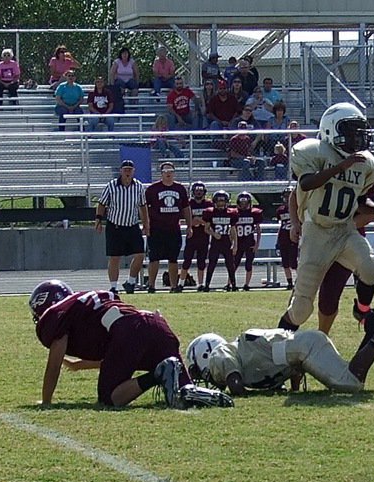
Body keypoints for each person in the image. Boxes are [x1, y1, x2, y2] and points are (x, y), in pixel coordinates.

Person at [29, 280, 232, 409]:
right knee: (182, 390)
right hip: (156, 325)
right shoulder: (88, 302)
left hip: (129, 332)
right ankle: (208, 395)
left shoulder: (59, 315)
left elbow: (54, 364)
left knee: (110, 398)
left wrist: (46, 401)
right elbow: (116, 357)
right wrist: (77, 365)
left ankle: (158, 374)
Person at [278, 102, 374, 332]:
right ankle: (277, 348)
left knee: (371, 269)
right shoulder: (314, 151)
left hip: (344, 229)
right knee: (301, 310)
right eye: (351, 131)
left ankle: (362, 310)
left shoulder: (365, 164)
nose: (357, 138)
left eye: (359, 131)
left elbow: (359, 201)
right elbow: (305, 183)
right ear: (331, 130)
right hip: (317, 231)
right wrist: (340, 167)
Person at [185, 305, 374, 397]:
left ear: (204, 353)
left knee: (349, 383)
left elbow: (235, 384)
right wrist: (293, 389)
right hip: (303, 348)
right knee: (349, 375)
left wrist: (226, 396)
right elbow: (284, 365)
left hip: (304, 349)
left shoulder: (220, 354)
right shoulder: (241, 351)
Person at [95, 160, 149, 294]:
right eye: (125, 169)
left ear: (133, 171)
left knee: (140, 255)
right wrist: (98, 220)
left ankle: (130, 282)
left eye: (130, 170)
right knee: (115, 257)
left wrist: (146, 224)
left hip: (132, 225)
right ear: (120, 171)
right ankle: (113, 286)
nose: (127, 172)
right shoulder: (111, 186)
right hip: (115, 226)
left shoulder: (139, 187)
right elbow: (102, 204)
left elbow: (143, 206)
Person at [145, 162, 191, 294]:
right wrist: (146, 224)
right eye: (165, 171)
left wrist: (189, 225)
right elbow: (143, 208)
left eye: (170, 171)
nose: (168, 173)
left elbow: (186, 208)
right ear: (161, 173)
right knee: (154, 258)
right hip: (156, 229)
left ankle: (173, 286)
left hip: (173, 228)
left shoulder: (180, 189)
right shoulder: (152, 189)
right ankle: (151, 285)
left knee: (173, 258)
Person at [202, 190, 238, 292]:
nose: (221, 203)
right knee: (212, 264)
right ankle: (207, 285)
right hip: (216, 241)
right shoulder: (210, 212)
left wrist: (235, 244)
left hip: (226, 240)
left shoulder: (231, 213)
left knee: (230, 264)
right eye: (219, 201)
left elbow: (233, 230)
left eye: (223, 201)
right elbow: (206, 228)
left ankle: (234, 285)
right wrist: (214, 234)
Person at [181, 183, 213, 292]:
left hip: (204, 236)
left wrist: (201, 221)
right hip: (192, 236)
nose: (198, 193)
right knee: (187, 261)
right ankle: (181, 283)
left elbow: (213, 220)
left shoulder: (209, 204)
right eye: (196, 191)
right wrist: (190, 222)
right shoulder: (188, 204)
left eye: (200, 191)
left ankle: (200, 284)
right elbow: (180, 219)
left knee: (202, 262)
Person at [230, 193, 263, 291]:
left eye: (245, 203)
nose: (244, 205)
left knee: (248, 265)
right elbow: (232, 229)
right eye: (242, 202)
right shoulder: (234, 213)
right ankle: (230, 283)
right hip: (238, 242)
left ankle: (247, 284)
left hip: (249, 242)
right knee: (234, 264)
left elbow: (258, 229)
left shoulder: (254, 213)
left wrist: (257, 244)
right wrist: (233, 243)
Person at [275, 184, 298, 290]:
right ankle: (289, 282)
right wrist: (277, 240)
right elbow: (281, 224)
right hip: (284, 236)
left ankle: (299, 281)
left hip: (294, 237)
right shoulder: (280, 210)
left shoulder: (299, 209)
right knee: (285, 262)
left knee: (294, 262)